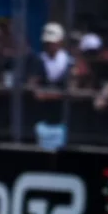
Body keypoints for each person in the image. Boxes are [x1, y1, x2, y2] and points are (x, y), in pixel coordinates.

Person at [28, 22, 73, 150]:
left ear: (60, 42)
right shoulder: (39, 61)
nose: (50, 46)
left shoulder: (69, 61)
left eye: (52, 42)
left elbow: (71, 88)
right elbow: (33, 85)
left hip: (62, 120)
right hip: (42, 120)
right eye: (47, 43)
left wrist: (50, 95)